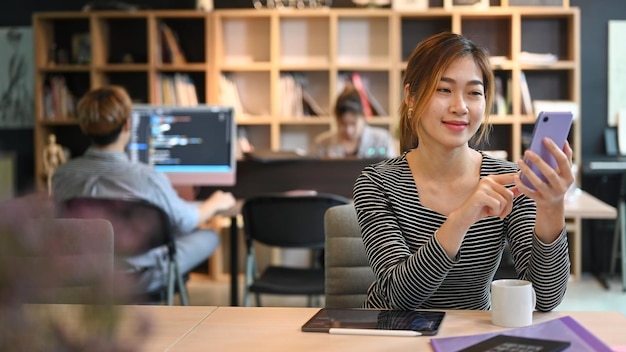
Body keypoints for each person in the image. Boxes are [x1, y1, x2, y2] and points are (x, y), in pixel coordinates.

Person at [353, 32, 573, 311]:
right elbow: (400, 298)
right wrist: (461, 218)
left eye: (474, 93)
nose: (460, 107)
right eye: (443, 89)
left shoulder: (509, 181)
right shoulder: (377, 183)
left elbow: (545, 299)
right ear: (411, 96)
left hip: (470, 333)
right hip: (395, 333)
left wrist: (552, 207)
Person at [52, 85, 236, 294]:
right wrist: (215, 203)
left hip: (84, 275)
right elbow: (186, 221)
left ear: (84, 127)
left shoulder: (62, 175)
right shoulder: (147, 178)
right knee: (209, 236)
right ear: (128, 124)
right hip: (136, 277)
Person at [311, 87, 397, 159]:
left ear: (363, 118)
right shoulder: (323, 144)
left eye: (353, 123)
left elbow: (392, 174)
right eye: (343, 124)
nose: (349, 130)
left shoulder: (382, 140)